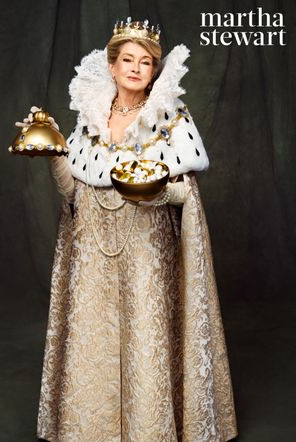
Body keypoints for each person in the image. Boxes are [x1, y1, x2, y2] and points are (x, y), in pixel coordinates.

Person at [18, 18, 237, 442]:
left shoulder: (168, 116)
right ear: (113, 66)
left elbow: (185, 193)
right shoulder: (90, 118)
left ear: (154, 71)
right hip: (93, 250)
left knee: (145, 343)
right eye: (127, 60)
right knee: (92, 345)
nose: (136, 68)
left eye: (146, 62)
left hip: (145, 249)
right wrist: (52, 151)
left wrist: (154, 193)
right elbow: (73, 194)